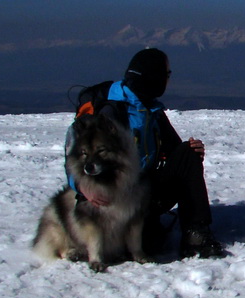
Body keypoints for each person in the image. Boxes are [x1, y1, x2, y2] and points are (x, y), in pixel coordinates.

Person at [76, 47, 225, 259]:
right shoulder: (111, 111)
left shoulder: (151, 110)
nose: (168, 80)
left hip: (143, 191)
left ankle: (196, 234)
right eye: (166, 75)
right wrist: (84, 187)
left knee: (188, 152)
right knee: (147, 246)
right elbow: (78, 158)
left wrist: (191, 153)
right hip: (114, 199)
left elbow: (176, 150)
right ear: (153, 78)